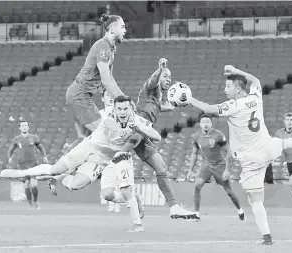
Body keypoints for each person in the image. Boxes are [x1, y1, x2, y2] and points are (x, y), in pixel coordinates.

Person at [187, 65, 292, 245]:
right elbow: (255, 80)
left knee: (255, 201)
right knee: (286, 142)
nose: (225, 89)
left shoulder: (233, 105)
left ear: (238, 88)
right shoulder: (255, 97)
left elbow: (208, 108)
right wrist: (236, 70)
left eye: (228, 86)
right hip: (268, 148)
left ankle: (267, 238)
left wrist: (188, 98)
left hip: (252, 159)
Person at [0, 96, 157, 232]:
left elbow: (157, 136)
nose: (122, 112)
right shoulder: (108, 113)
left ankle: (136, 214)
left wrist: (141, 128)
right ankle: (20, 173)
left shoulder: (137, 121)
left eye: (125, 109)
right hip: (88, 147)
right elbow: (109, 123)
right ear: (114, 109)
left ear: (130, 109)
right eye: (119, 109)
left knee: (85, 188)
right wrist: (120, 130)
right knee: (55, 170)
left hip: (103, 160)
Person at [134, 58, 196, 219]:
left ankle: (174, 207)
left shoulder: (156, 98)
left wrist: (175, 105)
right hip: (134, 131)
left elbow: (159, 107)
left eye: (169, 77)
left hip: (144, 135)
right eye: (165, 77)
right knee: (110, 159)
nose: (168, 79)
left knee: (161, 168)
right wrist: (159, 70)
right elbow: (152, 81)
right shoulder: (149, 89)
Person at [64, 14, 126, 154]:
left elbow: (110, 78)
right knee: (105, 136)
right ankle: (58, 170)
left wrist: (123, 98)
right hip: (80, 95)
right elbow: (105, 80)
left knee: (83, 139)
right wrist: (122, 101)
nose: (125, 30)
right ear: (111, 29)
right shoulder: (103, 47)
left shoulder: (112, 48)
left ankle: (59, 173)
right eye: (122, 27)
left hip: (79, 94)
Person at [46, 89, 115, 195]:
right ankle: (55, 175)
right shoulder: (97, 116)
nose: (110, 97)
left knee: (111, 193)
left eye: (112, 95)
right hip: (96, 156)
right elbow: (83, 137)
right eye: (107, 94)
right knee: (75, 184)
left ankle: (131, 201)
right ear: (102, 98)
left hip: (111, 156)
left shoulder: (122, 116)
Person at [187, 114, 244, 221]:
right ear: (200, 124)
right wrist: (190, 170)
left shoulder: (218, 135)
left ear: (211, 123)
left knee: (228, 191)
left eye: (207, 122)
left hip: (219, 165)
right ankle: (196, 214)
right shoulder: (197, 137)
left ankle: (240, 210)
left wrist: (227, 170)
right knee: (197, 186)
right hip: (206, 165)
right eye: (203, 122)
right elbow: (194, 154)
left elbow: (228, 152)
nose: (205, 124)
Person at [7, 121, 48, 210]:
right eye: (22, 126)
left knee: (34, 185)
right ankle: (30, 204)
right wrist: (9, 158)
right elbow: (10, 150)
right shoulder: (16, 139)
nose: (24, 127)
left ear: (28, 127)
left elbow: (41, 147)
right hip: (22, 165)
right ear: (20, 128)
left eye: (26, 125)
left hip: (33, 164)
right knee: (26, 185)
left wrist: (44, 156)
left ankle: (36, 200)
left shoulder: (33, 138)